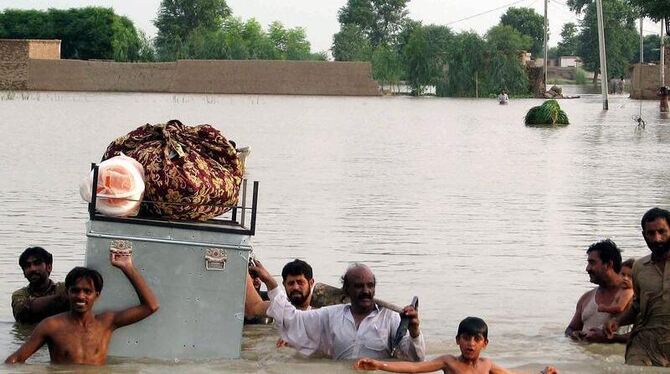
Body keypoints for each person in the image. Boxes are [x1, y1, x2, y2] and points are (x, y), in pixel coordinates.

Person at [5, 249, 159, 365]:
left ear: (97, 295)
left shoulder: (106, 322)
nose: (80, 296)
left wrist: (127, 267)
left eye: (87, 291)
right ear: (67, 292)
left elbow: (151, 306)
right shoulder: (51, 326)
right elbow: (15, 359)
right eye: (75, 291)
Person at [251, 261, 425, 360]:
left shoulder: (390, 318)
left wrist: (415, 332)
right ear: (346, 290)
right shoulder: (330, 315)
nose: (366, 291)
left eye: (370, 286)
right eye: (359, 286)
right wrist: (270, 283)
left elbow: (415, 359)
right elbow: (293, 319)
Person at [353, 317, 558, 374]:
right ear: (457, 340)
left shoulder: (487, 365)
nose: (470, 344)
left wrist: (542, 373)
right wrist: (380, 365)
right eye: (466, 338)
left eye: (476, 339)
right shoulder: (448, 362)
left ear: (484, 343)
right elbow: (415, 368)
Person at [605, 208, 670, 366]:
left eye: (662, 232)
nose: (657, 239)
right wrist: (617, 321)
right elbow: (637, 307)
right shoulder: (640, 267)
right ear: (644, 235)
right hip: (645, 344)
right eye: (651, 233)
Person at [565, 239, 630, 343]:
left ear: (608, 264)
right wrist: (574, 334)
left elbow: (647, 336)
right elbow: (570, 329)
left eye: (592, 263)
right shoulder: (586, 298)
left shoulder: (633, 296)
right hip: (585, 357)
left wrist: (609, 339)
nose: (587, 268)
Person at [11, 247, 68, 324]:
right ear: (24, 273)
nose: (32, 269)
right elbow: (22, 312)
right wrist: (61, 298)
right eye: (27, 265)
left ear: (49, 267)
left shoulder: (65, 288)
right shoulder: (19, 295)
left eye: (37, 263)